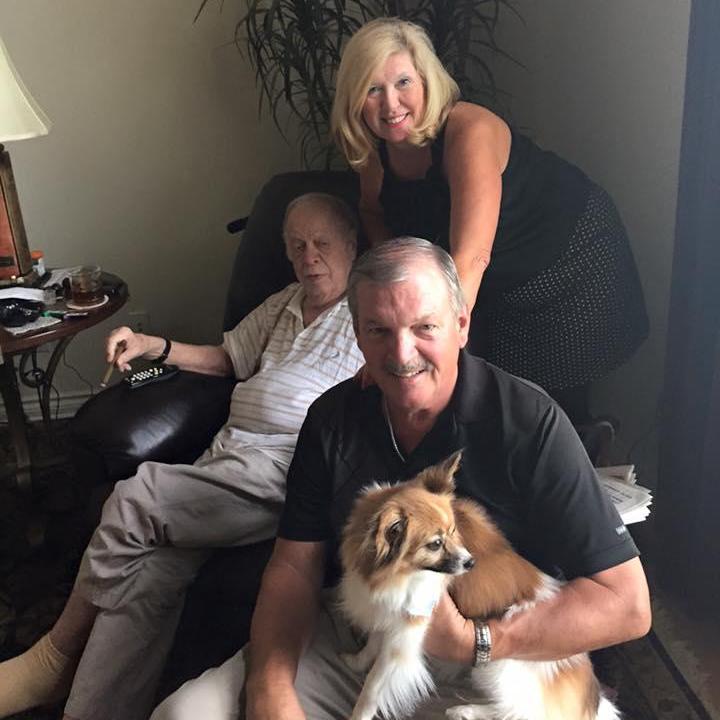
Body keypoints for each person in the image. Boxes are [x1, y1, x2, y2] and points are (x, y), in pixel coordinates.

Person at [151, 237, 651, 720]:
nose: (402, 353)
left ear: (461, 324)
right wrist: (270, 690)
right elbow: (294, 569)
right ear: (356, 334)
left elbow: (627, 606)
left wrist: (479, 642)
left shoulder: (529, 421)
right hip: (364, 639)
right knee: (186, 713)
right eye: (379, 330)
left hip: (496, 664)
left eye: (424, 328)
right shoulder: (332, 418)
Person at [0, 192, 365, 720]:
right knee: (148, 577)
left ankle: (53, 656)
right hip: (228, 457)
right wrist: (155, 346)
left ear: (352, 244)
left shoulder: (366, 310)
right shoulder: (285, 302)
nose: (309, 256)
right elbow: (227, 358)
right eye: (296, 245)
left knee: (136, 497)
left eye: (323, 244)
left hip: (285, 467)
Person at [330, 18, 649, 423]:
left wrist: (415, 354)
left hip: (569, 259)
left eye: (403, 83)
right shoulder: (376, 151)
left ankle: (589, 460)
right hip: (494, 280)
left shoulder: (470, 132)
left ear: (427, 80)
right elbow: (372, 210)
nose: (390, 104)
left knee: (552, 412)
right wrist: (395, 277)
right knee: (495, 405)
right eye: (373, 89)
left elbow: (471, 257)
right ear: (355, 98)